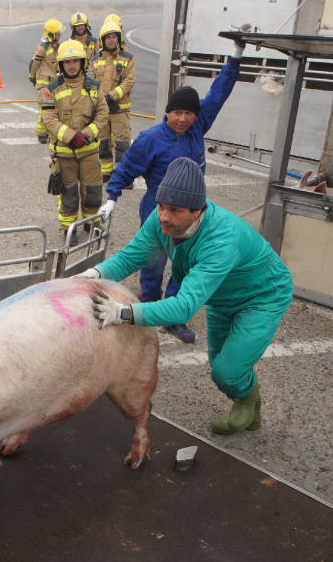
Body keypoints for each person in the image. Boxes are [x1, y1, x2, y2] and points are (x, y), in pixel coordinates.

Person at [80, 157, 293, 436]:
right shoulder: (162, 221)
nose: (164, 216)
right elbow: (132, 256)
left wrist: (123, 313)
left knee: (227, 372)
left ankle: (248, 400)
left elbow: (183, 308)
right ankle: (250, 405)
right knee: (219, 366)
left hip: (263, 296)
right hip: (221, 296)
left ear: (197, 211)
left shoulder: (221, 240)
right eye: (161, 206)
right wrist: (92, 275)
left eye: (175, 210)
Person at [97, 38, 244, 342]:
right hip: (157, 207)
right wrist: (111, 198)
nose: (183, 119)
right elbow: (125, 169)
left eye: (189, 113)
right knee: (152, 262)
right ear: (167, 113)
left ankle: (174, 315)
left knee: (184, 264)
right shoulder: (150, 139)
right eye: (177, 113)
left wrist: (235, 57)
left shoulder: (197, 128)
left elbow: (218, 95)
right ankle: (149, 309)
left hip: (191, 213)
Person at [40, 39, 108, 244]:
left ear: (82, 62)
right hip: (64, 152)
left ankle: (92, 224)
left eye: (75, 61)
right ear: (61, 64)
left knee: (93, 191)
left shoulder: (94, 87)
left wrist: (85, 135)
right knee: (68, 193)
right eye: (67, 62)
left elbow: (103, 113)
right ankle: (68, 229)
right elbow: (48, 117)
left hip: (89, 151)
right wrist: (71, 137)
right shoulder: (52, 89)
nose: (71, 66)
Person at [89, 17, 136, 184]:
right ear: (103, 39)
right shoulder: (94, 60)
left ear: (119, 38)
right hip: (101, 111)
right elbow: (90, 83)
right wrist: (97, 101)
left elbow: (129, 80)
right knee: (102, 144)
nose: (111, 40)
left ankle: (124, 177)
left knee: (122, 145)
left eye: (114, 37)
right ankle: (105, 173)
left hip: (120, 110)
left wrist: (112, 96)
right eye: (108, 37)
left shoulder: (128, 58)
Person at [29, 19, 64, 144]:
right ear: (51, 34)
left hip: (54, 81)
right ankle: (41, 134)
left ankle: (48, 131)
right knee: (44, 106)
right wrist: (32, 76)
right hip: (44, 81)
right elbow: (34, 63)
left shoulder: (56, 46)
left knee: (53, 107)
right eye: (57, 33)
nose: (59, 35)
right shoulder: (43, 47)